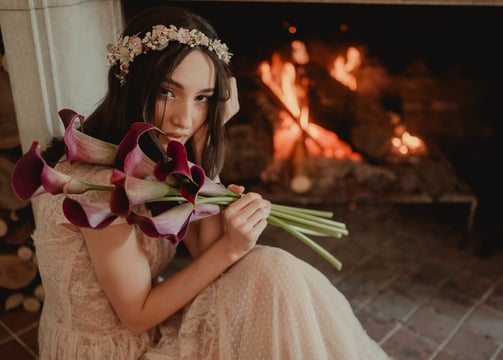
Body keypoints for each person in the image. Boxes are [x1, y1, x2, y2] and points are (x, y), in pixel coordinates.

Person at [32, 4, 390, 359]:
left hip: (152, 320)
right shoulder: (95, 184)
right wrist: (233, 246)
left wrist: (205, 143)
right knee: (274, 275)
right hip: (120, 349)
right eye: (166, 92)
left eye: (202, 98)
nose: (185, 119)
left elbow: (205, 249)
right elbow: (138, 317)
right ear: (130, 85)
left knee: (276, 273)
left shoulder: (153, 153)